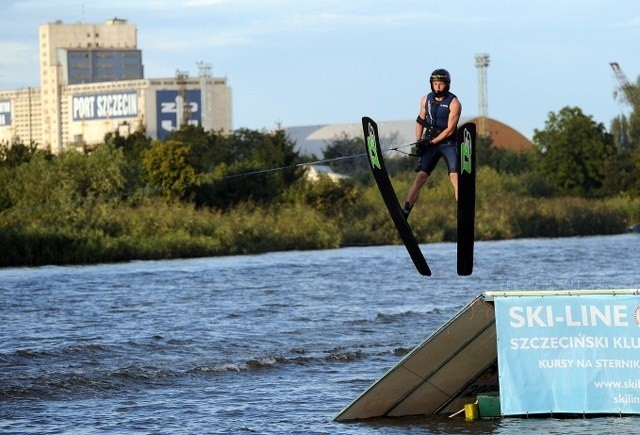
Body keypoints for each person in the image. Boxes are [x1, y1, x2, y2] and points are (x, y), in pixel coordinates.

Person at [402, 69, 462, 220]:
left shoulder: (454, 103)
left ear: (447, 85)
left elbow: (450, 130)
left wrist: (432, 141)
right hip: (430, 143)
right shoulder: (425, 100)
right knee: (421, 176)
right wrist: (419, 141)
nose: (438, 87)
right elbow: (420, 121)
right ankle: (406, 209)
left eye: (441, 84)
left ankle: (462, 210)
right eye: (435, 84)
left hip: (448, 143)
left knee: (455, 175)